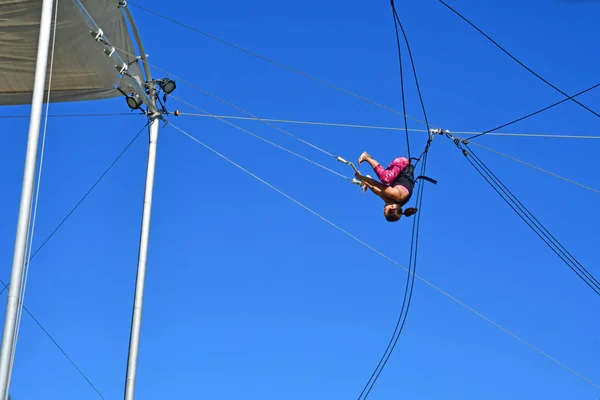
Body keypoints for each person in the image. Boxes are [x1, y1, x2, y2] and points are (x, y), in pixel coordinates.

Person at [355, 151, 418, 222]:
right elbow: (378, 185)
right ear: (393, 207)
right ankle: (366, 157)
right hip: (403, 164)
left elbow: (377, 191)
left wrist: (366, 182)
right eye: (385, 210)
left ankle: (367, 170)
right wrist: (361, 178)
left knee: (386, 180)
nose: (383, 209)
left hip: (397, 174)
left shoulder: (391, 201)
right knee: (385, 179)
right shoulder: (397, 195)